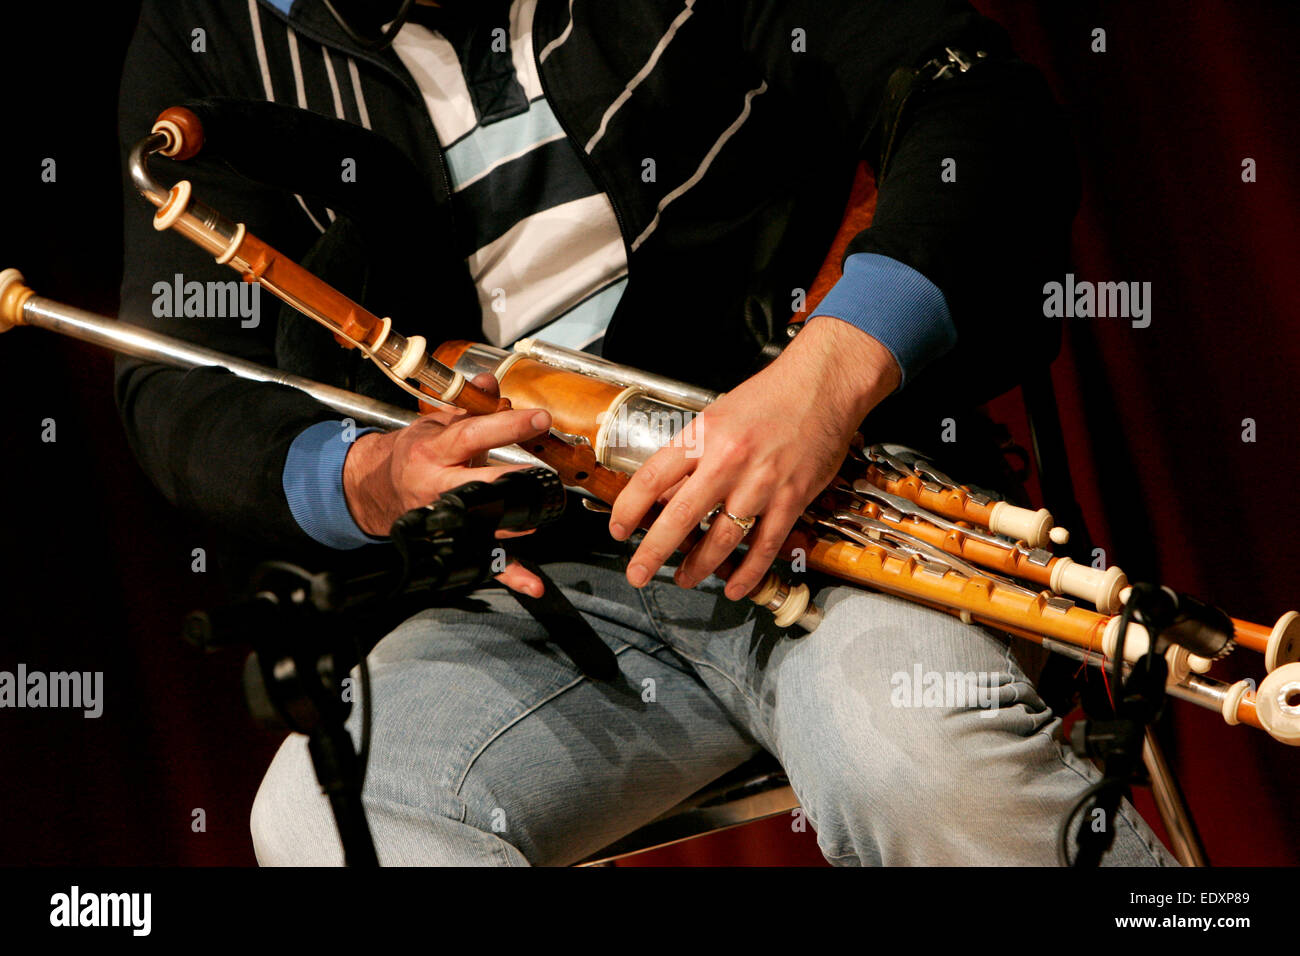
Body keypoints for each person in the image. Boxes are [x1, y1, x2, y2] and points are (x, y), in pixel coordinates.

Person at [116, 0, 1173, 865]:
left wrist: (825, 375)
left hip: (827, 508)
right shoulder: (213, 29)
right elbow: (182, 393)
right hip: (535, 590)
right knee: (321, 823)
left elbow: (975, 103)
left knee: (915, 754)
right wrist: (374, 475)